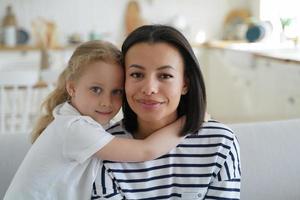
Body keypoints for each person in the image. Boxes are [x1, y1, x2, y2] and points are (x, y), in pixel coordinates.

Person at [4, 40, 185, 200]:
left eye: (116, 92)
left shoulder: (71, 119)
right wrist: (189, 122)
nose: (106, 102)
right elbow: (146, 151)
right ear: (72, 88)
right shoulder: (75, 128)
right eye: (96, 89)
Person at [92, 25, 241, 199]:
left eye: (165, 76)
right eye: (137, 74)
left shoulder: (221, 143)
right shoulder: (104, 147)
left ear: (185, 84)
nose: (149, 89)